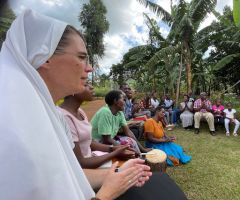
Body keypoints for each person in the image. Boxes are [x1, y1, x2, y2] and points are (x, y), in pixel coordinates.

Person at [0, 9, 151, 199]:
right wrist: (106, 194)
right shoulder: (12, 130)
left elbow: (69, 175)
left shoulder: (53, 116)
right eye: (81, 57)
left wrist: (120, 174)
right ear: (45, 56)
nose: (89, 68)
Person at [59, 84, 136, 169]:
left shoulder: (80, 112)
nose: (92, 87)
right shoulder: (65, 117)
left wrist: (114, 148)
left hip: (91, 157)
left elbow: (90, 143)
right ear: (72, 90)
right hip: (82, 169)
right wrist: (115, 153)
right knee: (128, 170)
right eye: (85, 84)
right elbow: (81, 163)